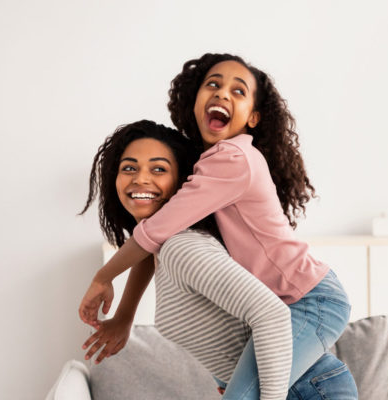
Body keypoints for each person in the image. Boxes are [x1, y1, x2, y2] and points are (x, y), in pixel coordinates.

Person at [77, 54, 352, 400]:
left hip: (311, 298)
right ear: (193, 103)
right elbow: (156, 236)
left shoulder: (233, 159)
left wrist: (104, 277)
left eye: (238, 91)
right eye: (213, 84)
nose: (222, 94)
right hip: (300, 314)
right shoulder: (208, 171)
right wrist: (125, 316)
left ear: (253, 118)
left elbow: (156, 231)